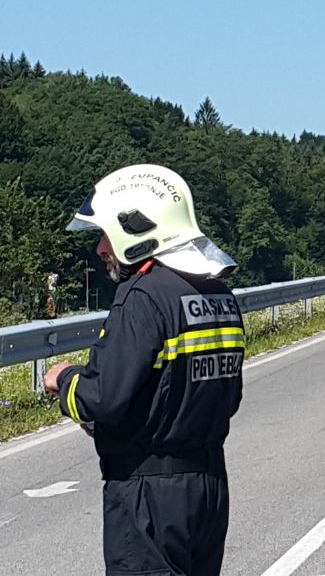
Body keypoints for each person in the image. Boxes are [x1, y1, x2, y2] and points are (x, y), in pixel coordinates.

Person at [41, 163, 243, 576]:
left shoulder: (143, 296)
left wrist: (64, 379)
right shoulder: (218, 294)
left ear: (135, 229)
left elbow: (103, 397)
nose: (100, 248)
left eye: (105, 234)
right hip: (208, 488)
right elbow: (222, 396)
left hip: (148, 495)